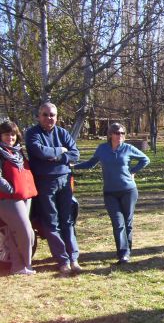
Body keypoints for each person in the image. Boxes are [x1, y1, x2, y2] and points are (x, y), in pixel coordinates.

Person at [74, 123, 149, 264]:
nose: (120, 135)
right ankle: (122, 253)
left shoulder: (128, 148)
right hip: (110, 192)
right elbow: (91, 163)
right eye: (117, 133)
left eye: (122, 133)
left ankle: (126, 253)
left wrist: (132, 171)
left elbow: (145, 159)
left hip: (128, 191)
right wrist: (73, 166)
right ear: (110, 134)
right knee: (117, 222)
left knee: (127, 222)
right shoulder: (103, 149)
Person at [25, 102, 80, 274]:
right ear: (39, 116)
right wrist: (61, 151)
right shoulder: (32, 133)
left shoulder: (62, 132)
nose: (49, 118)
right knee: (51, 222)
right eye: (45, 114)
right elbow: (39, 151)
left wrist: (55, 156)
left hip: (64, 180)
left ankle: (74, 258)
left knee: (67, 220)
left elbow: (75, 154)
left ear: (56, 117)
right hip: (44, 182)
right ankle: (62, 260)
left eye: (52, 115)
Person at [0, 121, 38, 275]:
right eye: (7, 134)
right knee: (26, 231)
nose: (10, 137)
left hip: (25, 196)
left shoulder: (17, 152)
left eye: (13, 134)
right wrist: (11, 189)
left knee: (12, 232)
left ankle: (17, 266)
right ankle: (26, 265)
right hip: (8, 198)